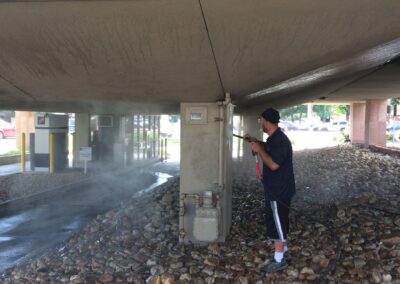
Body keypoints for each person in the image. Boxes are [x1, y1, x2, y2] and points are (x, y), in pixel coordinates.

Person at [247, 108, 296, 273]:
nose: (260, 123)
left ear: (266, 121)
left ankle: (279, 259)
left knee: (277, 224)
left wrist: (259, 150)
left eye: (261, 120)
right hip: (279, 189)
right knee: (281, 221)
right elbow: (268, 148)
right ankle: (285, 252)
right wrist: (254, 142)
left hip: (278, 191)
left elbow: (274, 164)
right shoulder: (275, 139)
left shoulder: (280, 141)